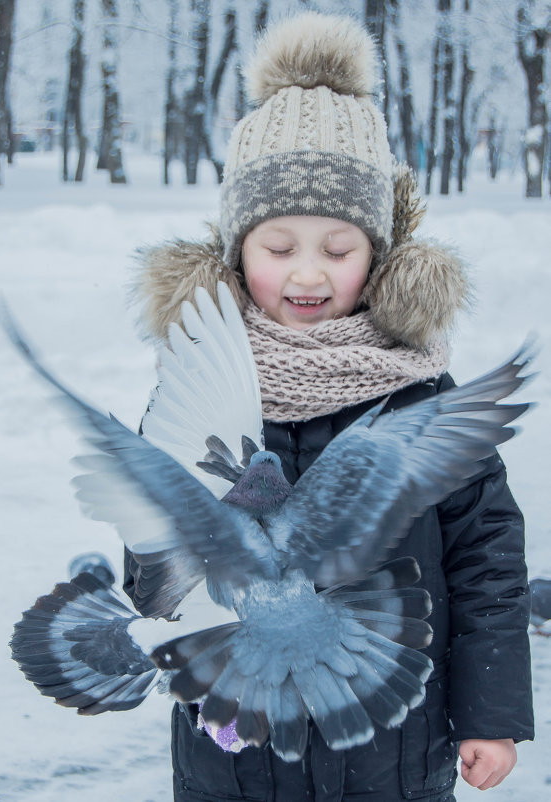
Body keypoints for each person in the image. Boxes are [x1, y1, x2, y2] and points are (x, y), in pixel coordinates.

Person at [125, 12, 533, 802]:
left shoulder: (420, 393)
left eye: (339, 249)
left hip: (395, 746)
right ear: (237, 251)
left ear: (377, 255)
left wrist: (490, 714)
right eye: (278, 247)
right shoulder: (197, 387)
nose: (307, 273)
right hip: (235, 755)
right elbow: (151, 568)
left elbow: (487, 561)